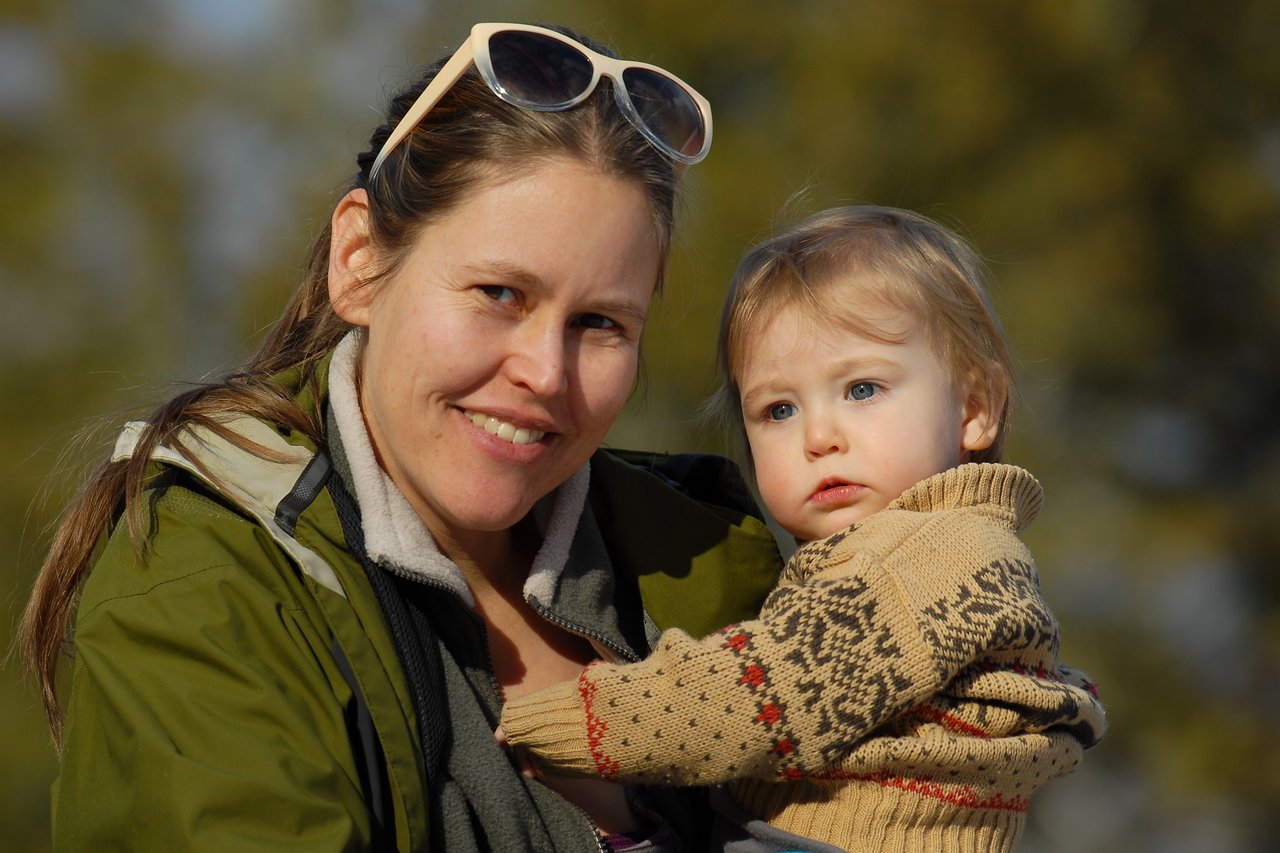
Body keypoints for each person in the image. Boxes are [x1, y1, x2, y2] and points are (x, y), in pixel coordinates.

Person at [20, 22, 789, 852]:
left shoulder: (711, 564)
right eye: (500, 292)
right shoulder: (204, 584)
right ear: (358, 260)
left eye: (600, 322)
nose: (546, 372)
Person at [498, 205, 1108, 852]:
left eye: (863, 389)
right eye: (779, 409)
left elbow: (765, 693)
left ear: (975, 407)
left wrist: (572, 721)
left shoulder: (941, 556)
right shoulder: (932, 554)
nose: (819, 436)